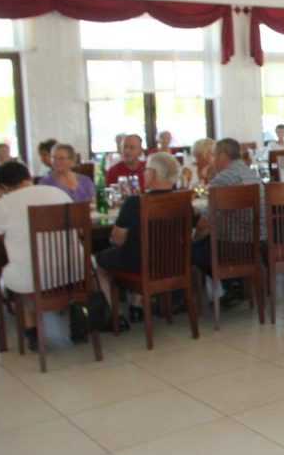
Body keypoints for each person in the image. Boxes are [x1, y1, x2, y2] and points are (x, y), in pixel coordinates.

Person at [0, 161, 73, 349]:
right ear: (29, 177)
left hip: (31, 278)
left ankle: (32, 331)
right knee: (31, 267)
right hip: (72, 271)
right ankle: (76, 318)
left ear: (3, 186)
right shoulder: (58, 193)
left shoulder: (3, 205)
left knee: (16, 272)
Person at [94, 152, 181, 322]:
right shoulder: (182, 199)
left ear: (153, 174)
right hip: (173, 261)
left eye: (146, 170)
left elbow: (117, 239)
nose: (143, 173)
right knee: (138, 250)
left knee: (100, 261)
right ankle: (137, 306)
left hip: (140, 263)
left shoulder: (134, 202)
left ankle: (116, 316)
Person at [192, 138, 265, 288]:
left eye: (214, 155)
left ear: (223, 156)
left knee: (191, 250)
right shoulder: (251, 174)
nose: (212, 161)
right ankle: (235, 283)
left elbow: (204, 222)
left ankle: (231, 283)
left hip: (234, 245)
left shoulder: (223, 179)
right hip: (260, 240)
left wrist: (193, 219)